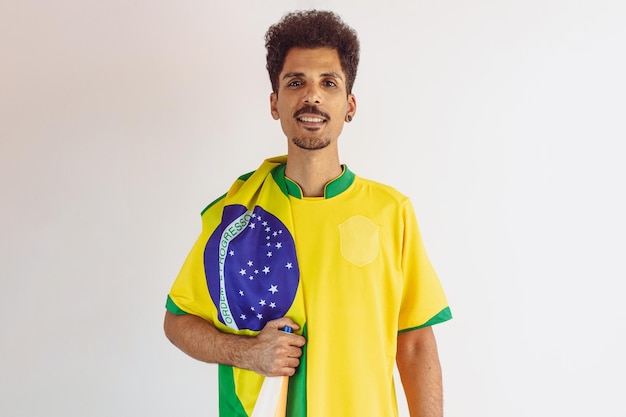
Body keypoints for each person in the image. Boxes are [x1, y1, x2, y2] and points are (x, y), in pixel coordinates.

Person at [164, 9, 452, 417]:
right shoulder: (238, 216)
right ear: (275, 103)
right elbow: (178, 321)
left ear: (349, 104)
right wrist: (247, 353)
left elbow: (416, 342)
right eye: (295, 82)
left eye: (328, 83)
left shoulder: (391, 212)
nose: (311, 96)